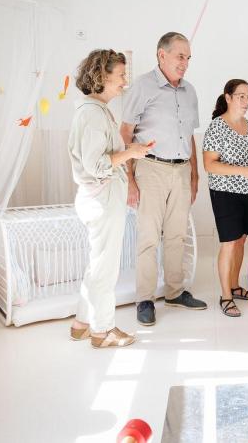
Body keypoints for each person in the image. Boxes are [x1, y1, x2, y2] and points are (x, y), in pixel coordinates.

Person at [121, 32, 207, 327]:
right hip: (151, 169)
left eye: (188, 58)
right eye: (180, 56)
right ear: (162, 55)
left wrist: (194, 175)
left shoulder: (190, 91)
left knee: (176, 235)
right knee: (148, 237)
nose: (185, 63)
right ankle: (144, 299)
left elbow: (189, 135)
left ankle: (174, 292)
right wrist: (130, 179)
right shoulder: (142, 86)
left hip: (181, 171)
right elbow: (125, 133)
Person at [68, 49, 151, 348]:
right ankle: (102, 331)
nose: (124, 82)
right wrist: (131, 152)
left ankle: (82, 323)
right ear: (102, 76)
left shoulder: (96, 110)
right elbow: (96, 165)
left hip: (101, 197)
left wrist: (131, 151)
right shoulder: (92, 114)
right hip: (101, 199)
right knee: (105, 268)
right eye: (121, 76)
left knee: (98, 264)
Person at [202, 79, 248, 317]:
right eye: (241, 96)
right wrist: (242, 171)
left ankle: (235, 286)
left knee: (240, 241)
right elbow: (210, 165)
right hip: (225, 192)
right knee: (229, 242)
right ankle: (225, 296)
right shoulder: (217, 127)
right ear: (228, 98)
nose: (246, 101)